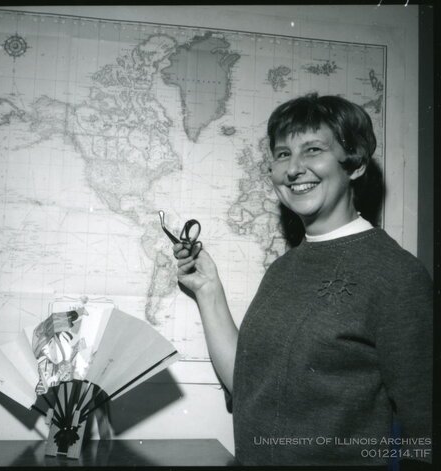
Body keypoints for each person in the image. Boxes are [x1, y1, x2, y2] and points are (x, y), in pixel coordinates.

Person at [173, 93, 432, 466]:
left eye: (313, 150)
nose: (293, 169)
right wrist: (208, 290)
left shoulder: (396, 274)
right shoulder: (284, 269)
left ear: (354, 164)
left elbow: (426, 432)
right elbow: (248, 387)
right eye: (282, 154)